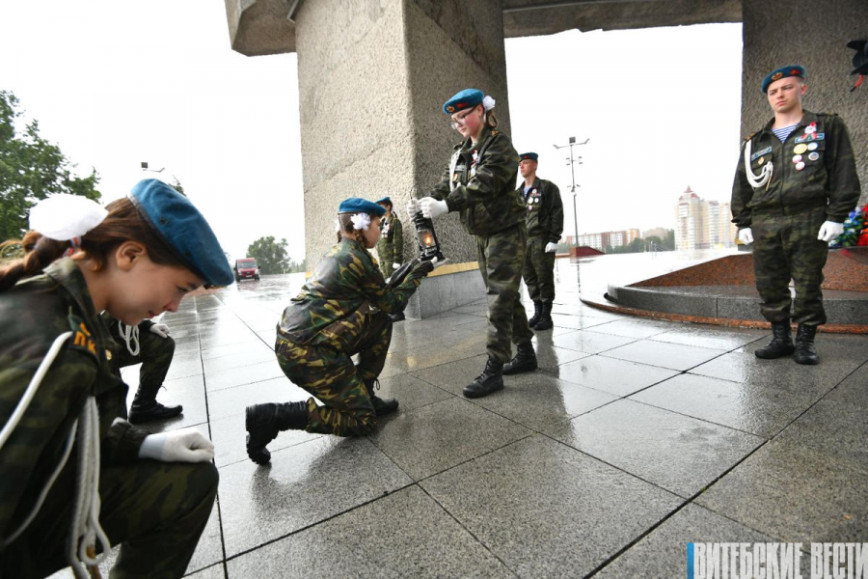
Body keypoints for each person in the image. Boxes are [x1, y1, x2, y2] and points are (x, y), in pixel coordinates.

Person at [0, 179, 232, 578]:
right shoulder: (54, 347)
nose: (174, 307)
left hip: (31, 504)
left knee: (191, 480)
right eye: (179, 288)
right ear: (128, 255)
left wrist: (144, 444)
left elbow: (65, 432)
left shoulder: (69, 311)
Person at [244, 197, 433, 465]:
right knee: (362, 421)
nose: (380, 231)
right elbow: (392, 303)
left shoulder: (338, 252)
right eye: (378, 225)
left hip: (299, 340)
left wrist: (405, 272)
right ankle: (274, 417)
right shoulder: (357, 258)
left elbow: (378, 301)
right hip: (306, 351)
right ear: (361, 227)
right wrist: (418, 273)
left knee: (379, 322)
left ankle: (365, 394)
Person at [412, 88, 538, 399]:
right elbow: (447, 183)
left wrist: (447, 206)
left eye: (464, 116)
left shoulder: (499, 145)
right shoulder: (459, 153)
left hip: (506, 231)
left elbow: (486, 183)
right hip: (483, 235)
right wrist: (427, 201)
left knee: (498, 298)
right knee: (505, 296)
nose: (459, 124)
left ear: (481, 111)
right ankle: (525, 352)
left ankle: (494, 368)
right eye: (455, 120)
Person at [731, 65, 861, 365]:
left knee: (807, 283)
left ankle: (805, 341)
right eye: (773, 91)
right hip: (765, 221)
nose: (779, 94)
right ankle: (780, 338)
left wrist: (837, 217)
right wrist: (743, 221)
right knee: (770, 283)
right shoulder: (756, 140)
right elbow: (741, 183)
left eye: (786, 87)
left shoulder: (827, 126)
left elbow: (843, 172)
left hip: (809, 216)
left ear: (802, 89)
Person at [101, 311, 183, 424]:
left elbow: (120, 314)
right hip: (91, 346)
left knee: (162, 345)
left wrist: (147, 325)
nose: (173, 307)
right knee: (115, 418)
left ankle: (144, 406)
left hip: (108, 337)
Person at [516, 152, 564, 331]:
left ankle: (546, 315)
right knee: (529, 278)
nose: (522, 166)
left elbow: (556, 213)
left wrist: (554, 238)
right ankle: (537, 311)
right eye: (520, 164)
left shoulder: (547, 187)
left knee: (544, 278)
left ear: (535, 165)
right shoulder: (518, 193)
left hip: (541, 240)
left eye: (526, 163)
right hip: (523, 242)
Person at [375, 196, 406, 321]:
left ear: (388, 206)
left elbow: (397, 243)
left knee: (394, 287)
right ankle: (392, 311)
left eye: (381, 205)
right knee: (388, 287)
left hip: (392, 262)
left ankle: (398, 313)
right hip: (384, 262)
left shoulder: (395, 222)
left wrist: (397, 262)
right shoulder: (382, 223)